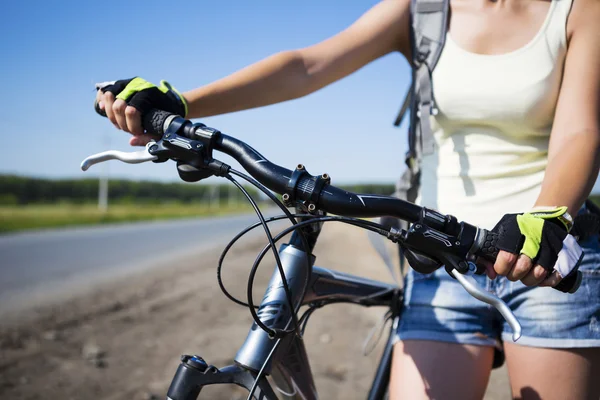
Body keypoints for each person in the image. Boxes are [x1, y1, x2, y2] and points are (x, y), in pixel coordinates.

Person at [95, 0, 600, 398]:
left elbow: (580, 129)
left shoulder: (578, 8)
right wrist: (183, 102)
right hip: (443, 255)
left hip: (546, 258)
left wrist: (548, 216)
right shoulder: (425, 8)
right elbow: (308, 66)